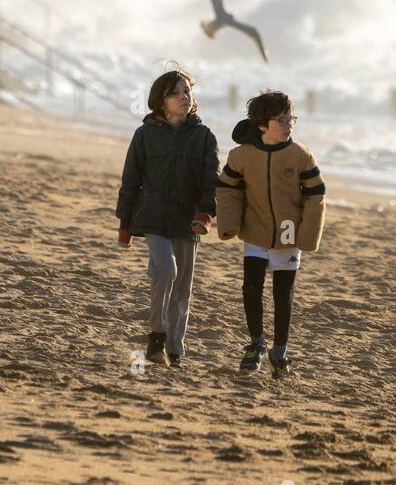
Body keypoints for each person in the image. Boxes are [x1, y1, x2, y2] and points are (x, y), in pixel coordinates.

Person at [216, 91, 326, 378]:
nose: (289, 124)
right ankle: (255, 344)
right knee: (250, 288)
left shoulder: (301, 156)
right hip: (256, 231)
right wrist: (228, 223)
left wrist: (308, 236)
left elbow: (316, 197)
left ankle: (280, 350)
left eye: (291, 118)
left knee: (282, 294)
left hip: (289, 235)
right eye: (282, 119)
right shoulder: (241, 156)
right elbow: (228, 190)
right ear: (263, 124)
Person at [115, 69, 219, 367]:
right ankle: (156, 337)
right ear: (161, 101)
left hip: (189, 222)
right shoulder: (145, 135)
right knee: (165, 271)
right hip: (154, 219)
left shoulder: (204, 137)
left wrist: (205, 214)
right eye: (175, 93)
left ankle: (174, 349)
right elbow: (130, 180)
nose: (183, 97)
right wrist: (125, 224)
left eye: (186, 91)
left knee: (182, 289)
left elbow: (211, 180)